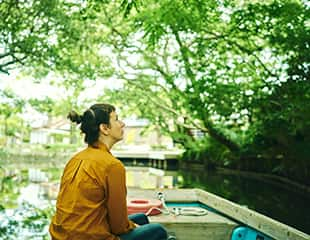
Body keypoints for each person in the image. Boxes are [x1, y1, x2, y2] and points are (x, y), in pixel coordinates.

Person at [49, 103, 172, 240]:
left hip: (62, 236)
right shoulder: (112, 165)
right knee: (157, 230)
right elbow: (118, 226)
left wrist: (133, 225)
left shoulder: (75, 159)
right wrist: (133, 227)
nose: (122, 124)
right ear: (105, 128)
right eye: (117, 119)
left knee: (141, 218)